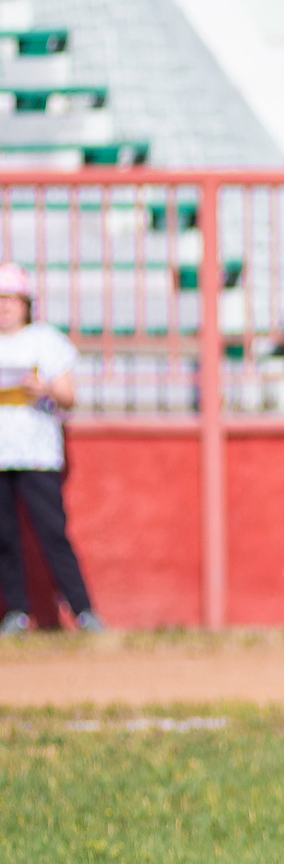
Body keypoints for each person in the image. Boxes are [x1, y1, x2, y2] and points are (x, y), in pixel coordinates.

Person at [0, 262, 101, 633]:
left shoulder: (46, 340)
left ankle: (83, 611)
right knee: (4, 537)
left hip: (37, 453)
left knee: (52, 532)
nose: (5, 307)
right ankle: (16, 614)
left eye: (11, 299)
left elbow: (70, 396)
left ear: (26, 303)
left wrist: (43, 389)